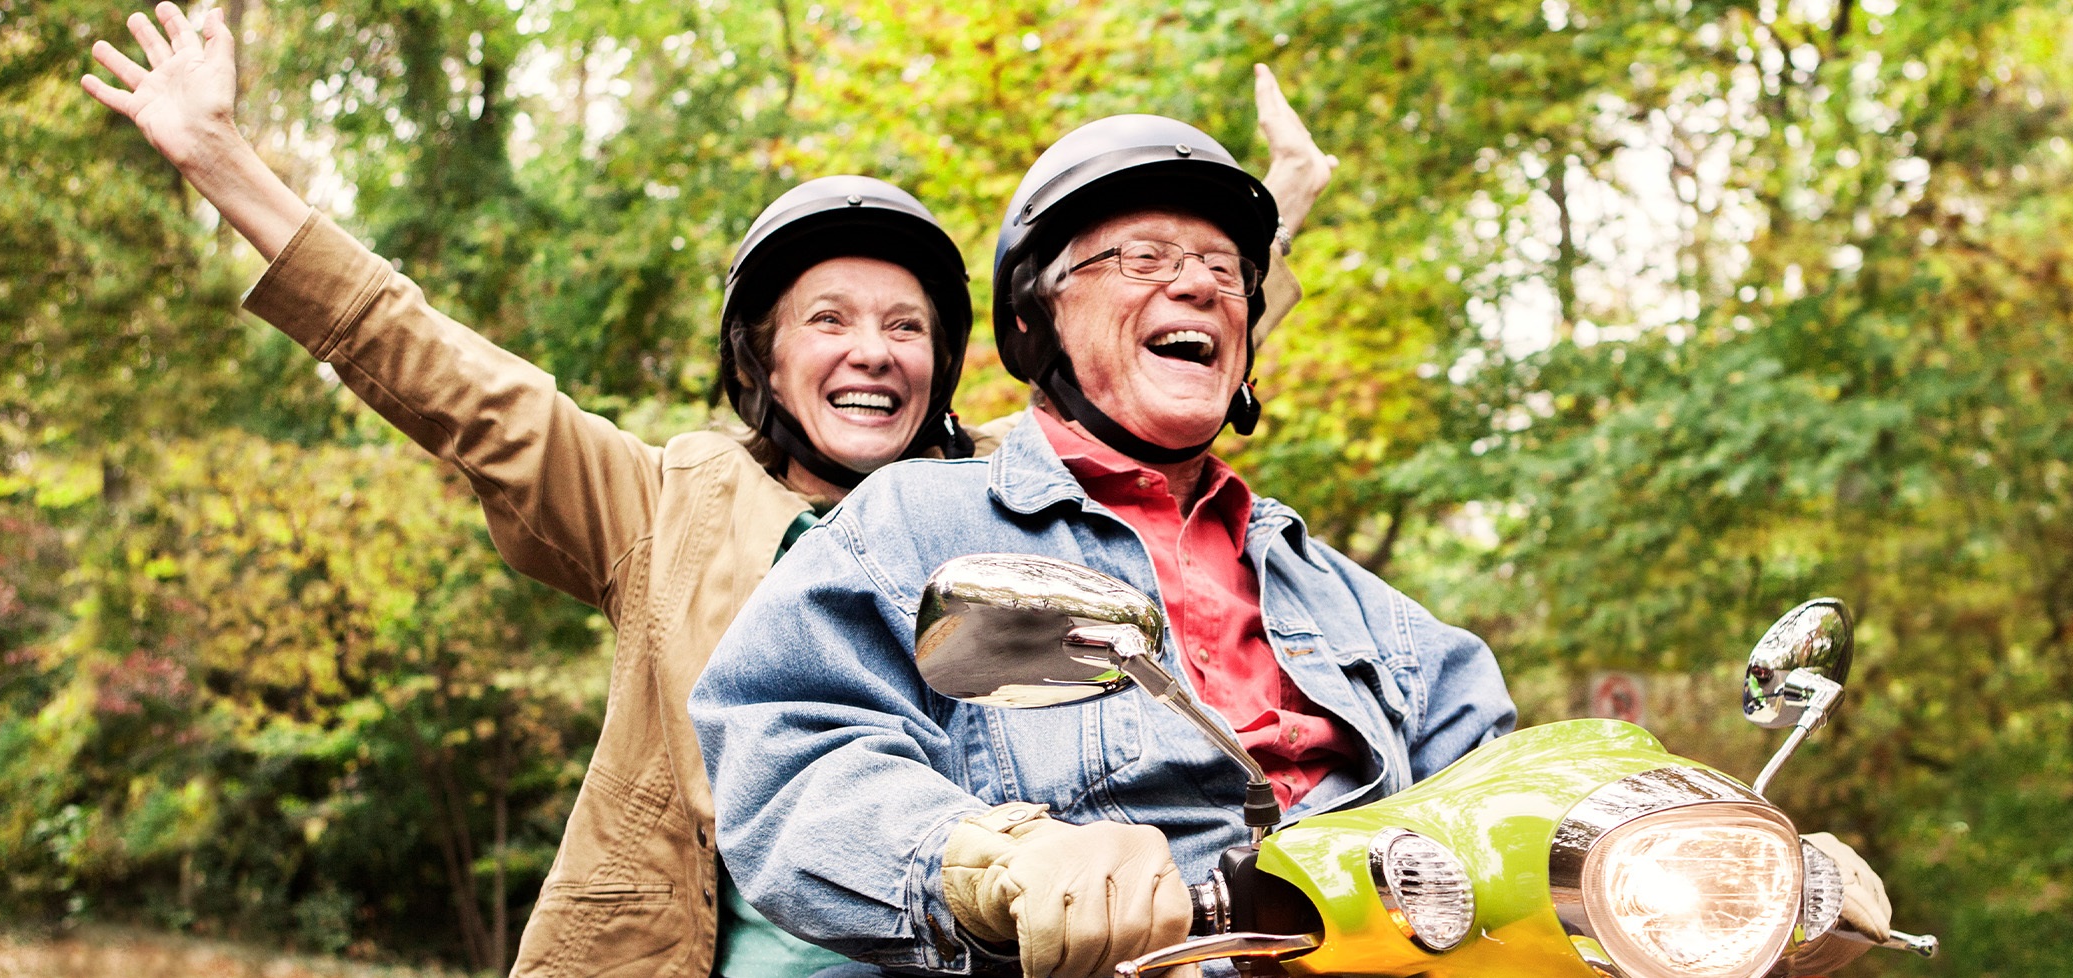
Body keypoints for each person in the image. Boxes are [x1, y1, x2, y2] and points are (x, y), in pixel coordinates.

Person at [80, 7, 1340, 978]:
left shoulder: (1004, 511)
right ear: (764, 358)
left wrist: (1259, 229)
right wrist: (219, 158)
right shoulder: (658, 505)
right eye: (829, 320)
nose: (873, 351)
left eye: (905, 325)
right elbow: (433, 366)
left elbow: (1143, 373)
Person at [688, 113, 1895, 978]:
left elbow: (1513, 795)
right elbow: (790, 755)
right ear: (1033, 319)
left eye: (1222, 270)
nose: (1200, 288)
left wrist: (1728, 862)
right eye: (1145, 260)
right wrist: (984, 859)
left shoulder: (1373, 614)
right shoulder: (915, 521)